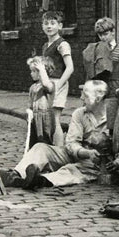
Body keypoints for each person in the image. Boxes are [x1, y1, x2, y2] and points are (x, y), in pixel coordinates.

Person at [0, 79, 119, 189]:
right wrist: (85, 152)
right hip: (76, 154)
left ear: (98, 98)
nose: (81, 98)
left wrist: (118, 163)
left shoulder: (116, 118)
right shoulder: (79, 113)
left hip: (94, 165)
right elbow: (71, 143)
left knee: (70, 171)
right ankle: (15, 175)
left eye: (85, 95)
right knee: (41, 148)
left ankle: (39, 181)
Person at [82, 17, 119, 130]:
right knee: (96, 118)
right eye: (100, 35)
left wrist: (118, 83)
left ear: (113, 32)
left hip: (114, 88)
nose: (103, 37)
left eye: (106, 34)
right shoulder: (95, 49)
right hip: (98, 87)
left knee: (112, 118)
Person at [41, 10, 74, 147]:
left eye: (53, 23)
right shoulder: (45, 45)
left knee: (55, 118)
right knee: (47, 118)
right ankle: (51, 147)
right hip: (47, 83)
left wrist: (59, 85)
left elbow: (70, 67)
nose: (49, 26)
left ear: (60, 26)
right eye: (46, 23)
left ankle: (59, 149)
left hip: (57, 82)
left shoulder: (62, 44)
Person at [25, 55, 56, 148]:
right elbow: (30, 102)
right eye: (31, 71)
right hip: (35, 118)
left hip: (45, 119)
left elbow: (47, 85)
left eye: (34, 71)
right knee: (33, 142)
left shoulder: (49, 85)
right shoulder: (33, 87)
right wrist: (28, 111)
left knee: (45, 141)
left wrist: (42, 70)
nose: (31, 73)